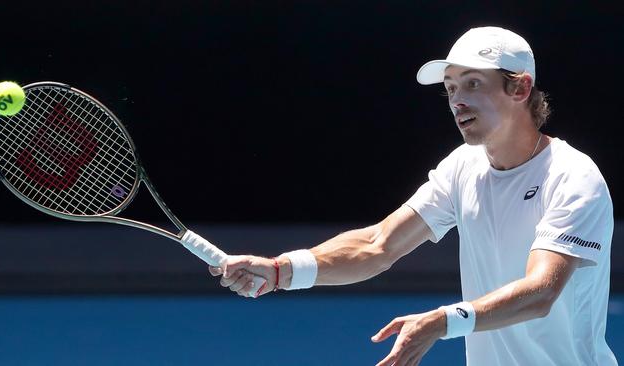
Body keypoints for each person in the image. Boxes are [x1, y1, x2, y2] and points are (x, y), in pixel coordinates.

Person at [209, 26, 617, 366]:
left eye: (473, 83)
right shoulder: (463, 166)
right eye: (451, 87)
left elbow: (542, 291)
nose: (457, 99)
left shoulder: (573, 176)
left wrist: (444, 320)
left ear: (520, 88)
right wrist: (281, 271)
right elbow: (378, 245)